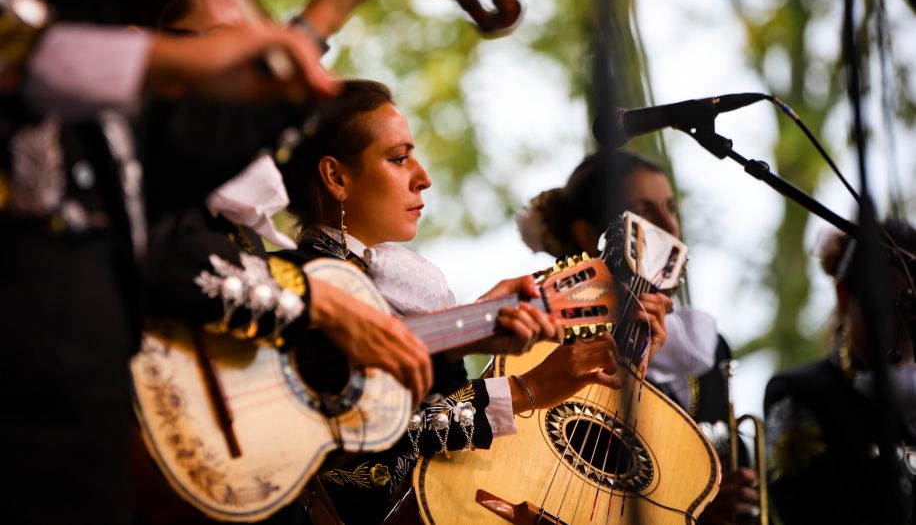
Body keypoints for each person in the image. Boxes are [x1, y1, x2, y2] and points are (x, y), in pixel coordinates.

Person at [0, 0, 425, 523]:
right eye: (227, 41)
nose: (252, 53)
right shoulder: (50, 77)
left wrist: (326, 12)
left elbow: (199, 144)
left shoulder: (175, 174)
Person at [278, 80, 663, 523]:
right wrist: (525, 389)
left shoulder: (406, 293)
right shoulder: (290, 288)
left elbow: (434, 442)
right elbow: (372, 449)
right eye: (399, 158)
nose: (423, 177)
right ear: (336, 178)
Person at [516, 149, 761, 524]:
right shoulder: (558, 349)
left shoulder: (709, 343)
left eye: (671, 208)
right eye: (644, 212)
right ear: (589, 235)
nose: (670, 226)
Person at [764, 219, 916, 524]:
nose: (904, 331)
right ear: (844, 297)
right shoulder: (800, 394)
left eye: (913, 310)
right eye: (888, 308)